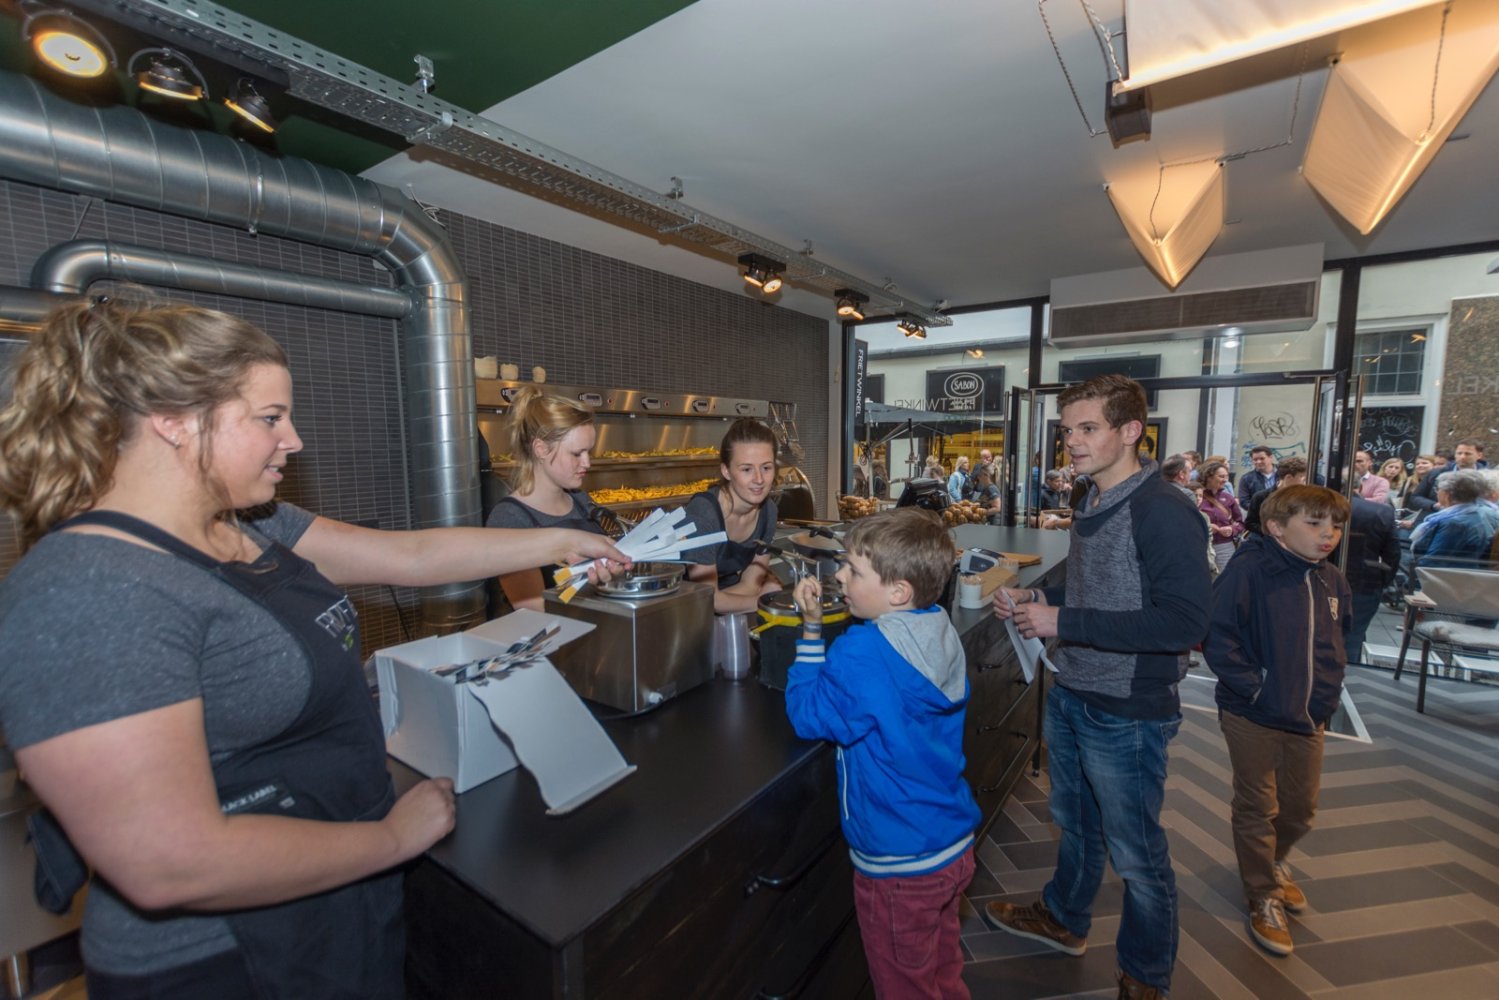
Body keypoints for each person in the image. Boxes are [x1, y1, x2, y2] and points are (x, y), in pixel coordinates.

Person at [0, 301, 626, 999]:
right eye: (270, 418)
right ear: (174, 420)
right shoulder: (87, 588)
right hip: (227, 959)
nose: (293, 441)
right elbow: (170, 862)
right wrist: (391, 839)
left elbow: (410, 556)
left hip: (333, 905)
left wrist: (560, 541)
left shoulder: (252, 523)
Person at [984, 374, 1211, 1000]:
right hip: (1075, 687)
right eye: (1067, 431)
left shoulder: (1163, 510)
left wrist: (1063, 621)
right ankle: (1064, 918)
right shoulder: (1092, 498)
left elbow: (1185, 623)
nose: (1073, 443)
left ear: (1131, 430)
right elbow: (1096, 589)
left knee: (1136, 853)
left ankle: (1145, 975)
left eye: (1088, 429)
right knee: (1077, 823)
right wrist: (1038, 597)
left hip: (1129, 707)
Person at [785, 508, 979, 1000]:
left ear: (898, 591)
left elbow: (808, 714)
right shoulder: (938, 626)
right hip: (952, 844)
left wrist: (810, 631)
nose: (840, 577)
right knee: (943, 973)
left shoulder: (863, 652)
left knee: (904, 988)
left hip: (900, 864)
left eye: (853, 570)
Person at [1204, 485, 1352, 957]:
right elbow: (1218, 635)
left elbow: (1337, 640)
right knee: (1258, 805)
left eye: (1335, 526)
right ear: (1276, 528)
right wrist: (1256, 689)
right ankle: (1262, 894)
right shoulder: (1249, 571)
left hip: (1310, 715)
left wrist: (1326, 693)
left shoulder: (1332, 579)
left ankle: (1276, 860)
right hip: (1253, 713)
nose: (1328, 534)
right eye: (1314, 523)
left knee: (1300, 808)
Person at [485, 386, 606, 611]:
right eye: (577, 453)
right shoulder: (510, 518)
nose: (587, 463)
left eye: (589, 452)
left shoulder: (581, 500)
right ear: (541, 449)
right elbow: (535, 611)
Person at [683, 418, 782, 614]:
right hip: (684, 613)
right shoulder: (704, 513)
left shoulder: (768, 511)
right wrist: (763, 601)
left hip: (724, 610)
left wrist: (723, 599)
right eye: (746, 469)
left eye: (766, 468)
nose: (759, 479)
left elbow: (751, 584)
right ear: (726, 471)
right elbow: (706, 599)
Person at [1345, 494, 1400, 662]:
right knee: (1353, 637)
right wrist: (1383, 581)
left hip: (1319, 580)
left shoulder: (1313, 507)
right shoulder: (1381, 512)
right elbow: (1392, 555)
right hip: (1364, 582)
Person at [1411, 469, 1499, 570]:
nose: (1437, 493)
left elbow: (1432, 562)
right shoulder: (1473, 513)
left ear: (1447, 494)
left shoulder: (1454, 523)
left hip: (1448, 576)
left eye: (1438, 489)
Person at [1162, 454, 1218, 578]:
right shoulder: (1186, 494)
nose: (1190, 475)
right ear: (1181, 474)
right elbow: (1189, 527)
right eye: (1189, 472)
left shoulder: (1153, 489)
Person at [1408, 440, 1482, 513]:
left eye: (1468, 454)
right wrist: (1434, 505)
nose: (1462, 457)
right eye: (1459, 453)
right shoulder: (1436, 473)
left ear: (1479, 455)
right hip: (1437, 515)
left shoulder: (1485, 476)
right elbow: (1416, 497)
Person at [1198, 459, 1246, 571]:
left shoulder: (1228, 498)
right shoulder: (1197, 496)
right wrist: (1207, 527)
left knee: (1225, 577)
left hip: (1225, 546)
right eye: (1221, 476)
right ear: (1209, 477)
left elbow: (1240, 523)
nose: (1225, 480)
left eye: (1226, 476)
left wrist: (1232, 529)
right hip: (1201, 545)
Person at [1244, 457, 1308, 536]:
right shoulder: (1261, 497)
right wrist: (1271, 532)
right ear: (1288, 477)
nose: (1305, 483)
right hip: (1267, 541)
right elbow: (1250, 524)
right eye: (1303, 479)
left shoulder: (1305, 499)